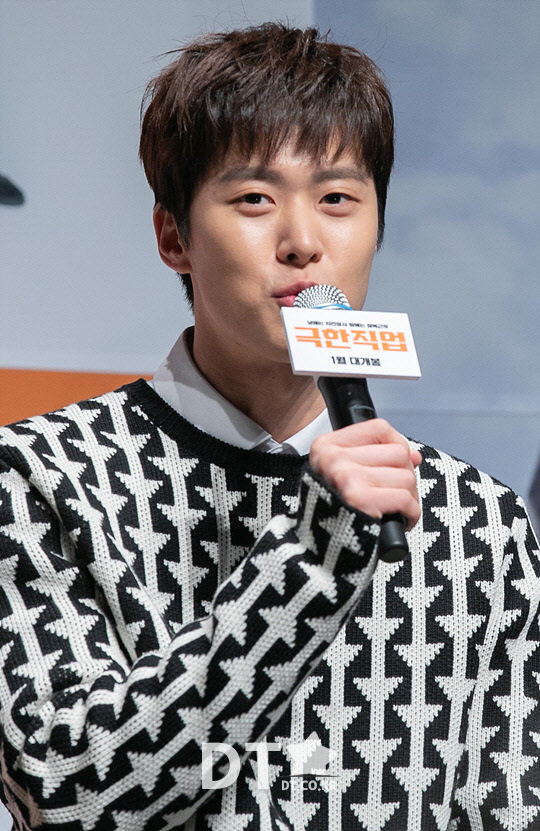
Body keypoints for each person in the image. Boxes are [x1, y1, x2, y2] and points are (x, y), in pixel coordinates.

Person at [0, 23, 538, 831]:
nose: (303, 242)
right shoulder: (40, 476)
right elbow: (68, 794)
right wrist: (313, 554)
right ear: (174, 236)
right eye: (255, 198)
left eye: (337, 199)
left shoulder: (475, 519)